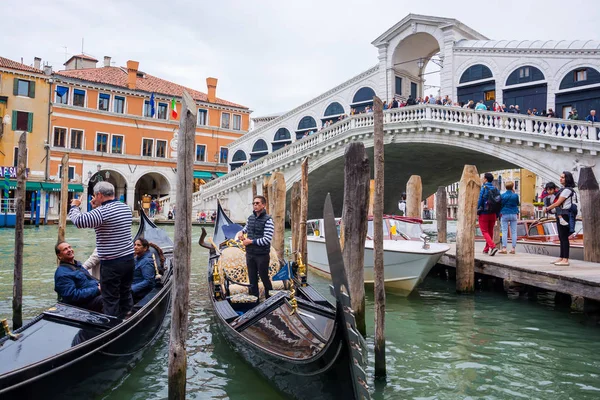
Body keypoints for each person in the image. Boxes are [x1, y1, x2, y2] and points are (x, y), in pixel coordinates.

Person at [69, 181, 134, 318]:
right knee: (125, 291)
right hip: (128, 259)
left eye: (94, 195)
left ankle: (111, 327)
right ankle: (127, 316)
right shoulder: (125, 208)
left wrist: (74, 206)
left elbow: (79, 221)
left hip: (112, 264)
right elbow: (103, 222)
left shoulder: (102, 212)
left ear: (99, 194)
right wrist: (96, 208)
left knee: (110, 297)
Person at [235, 196, 274, 299]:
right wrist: (241, 232)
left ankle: (270, 299)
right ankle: (254, 300)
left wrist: (250, 241)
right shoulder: (250, 218)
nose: (255, 205)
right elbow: (246, 228)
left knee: (264, 277)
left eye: (257, 203)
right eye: (254, 203)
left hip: (262, 255)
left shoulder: (268, 220)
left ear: (264, 205)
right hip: (250, 254)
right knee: (252, 278)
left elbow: (267, 239)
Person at [54, 241, 103, 312]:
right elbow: (72, 296)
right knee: (108, 298)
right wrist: (97, 289)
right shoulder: (62, 274)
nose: (69, 250)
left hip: (92, 296)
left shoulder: (77, 265)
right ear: (59, 256)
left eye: (69, 247)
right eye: (65, 249)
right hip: (82, 305)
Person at [544, 172, 576, 266]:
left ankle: (565, 259)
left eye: (563, 177)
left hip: (565, 215)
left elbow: (558, 203)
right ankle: (562, 257)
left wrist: (547, 208)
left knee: (564, 237)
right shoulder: (564, 190)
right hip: (562, 214)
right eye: (560, 177)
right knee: (561, 237)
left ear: (567, 179)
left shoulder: (567, 190)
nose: (560, 179)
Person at [477, 172, 499, 256]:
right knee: (490, 231)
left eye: (483, 178)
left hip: (484, 212)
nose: (482, 179)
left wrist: (477, 209)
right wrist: (497, 214)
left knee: (484, 231)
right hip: (493, 213)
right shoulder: (496, 189)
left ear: (485, 179)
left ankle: (493, 247)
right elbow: (498, 202)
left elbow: (480, 200)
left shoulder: (484, 188)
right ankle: (486, 249)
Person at [498, 181, 520, 254]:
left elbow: (500, 204)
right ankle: (513, 248)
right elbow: (517, 203)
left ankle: (504, 248)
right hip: (514, 214)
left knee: (504, 231)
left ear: (505, 187)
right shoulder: (515, 195)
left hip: (504, 214)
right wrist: (513, 192)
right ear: (512, 187)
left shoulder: (502, 195)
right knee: (514, 231)